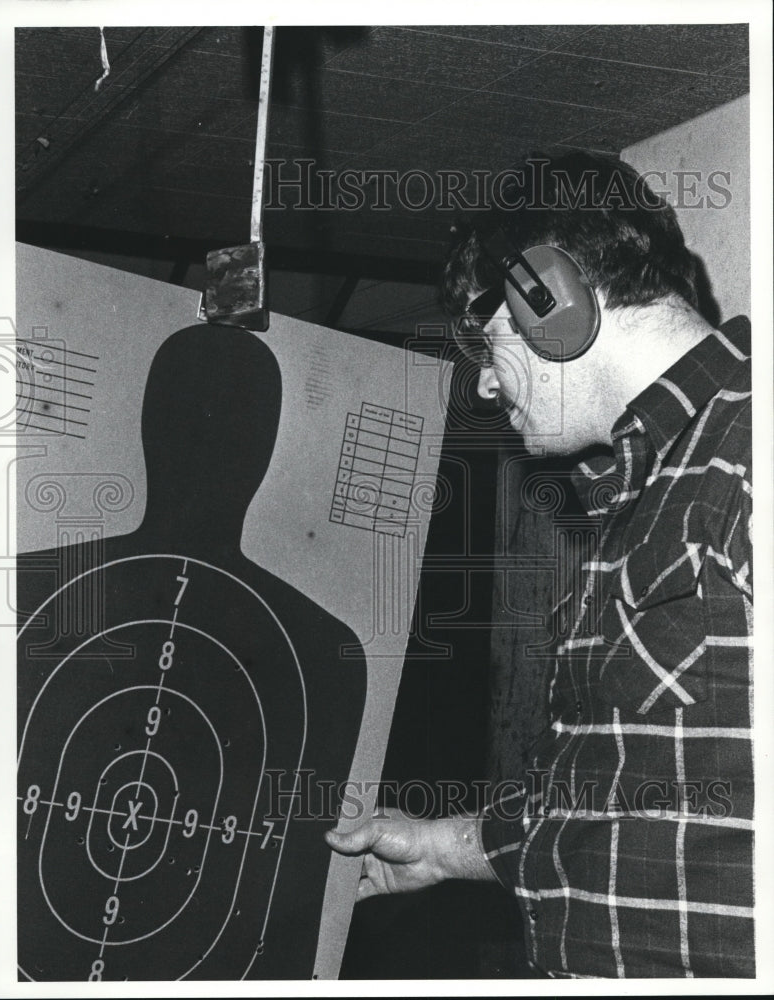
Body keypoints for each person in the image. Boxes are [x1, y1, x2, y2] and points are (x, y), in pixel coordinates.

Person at [326, 150, 753, 979]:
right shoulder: (654, 488)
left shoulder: (748, 447)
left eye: (486, 347)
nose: (484, 387)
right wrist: (448, 849)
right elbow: (626, 785)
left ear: (550, 300)